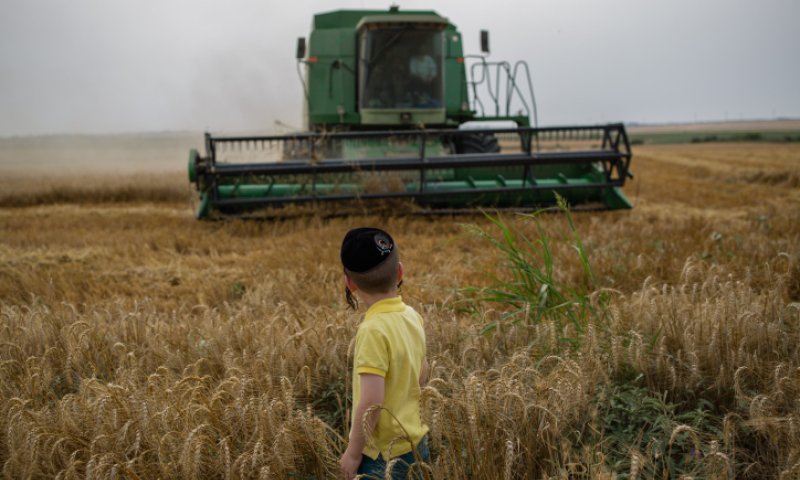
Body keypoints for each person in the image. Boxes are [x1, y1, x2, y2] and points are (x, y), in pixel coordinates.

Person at [338, 227, 430, 480]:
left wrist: (354, 453)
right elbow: (422, 374)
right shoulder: (412, 316)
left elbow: (372, 403)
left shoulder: (372, 331)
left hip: (383, 455)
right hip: (416, 441)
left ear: (351, 284)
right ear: (400, 271)